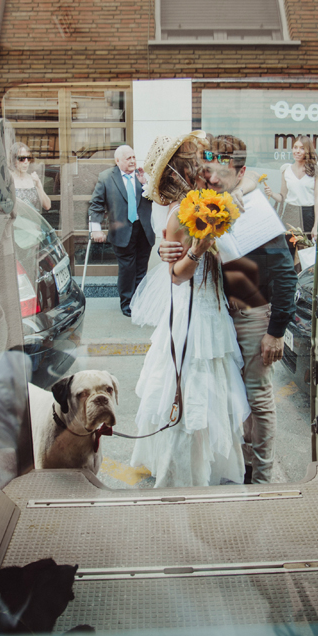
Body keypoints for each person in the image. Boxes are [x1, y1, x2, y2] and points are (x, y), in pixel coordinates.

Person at [160, 134, 298, 484]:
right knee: (237, 394)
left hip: (253, 310)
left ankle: (264, 476)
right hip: (224, 313)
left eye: (224, 172)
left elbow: (284, 275)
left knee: (257, 395)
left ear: (241, 171)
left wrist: (276, 331)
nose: (215, 179)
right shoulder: (214, 202)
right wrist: (167, 251)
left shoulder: (256, 207)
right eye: (210, 172)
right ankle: (248, 462)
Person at [126, 132, 249, 487]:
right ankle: (181, 466)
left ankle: (212, 464)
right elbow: (177, 277)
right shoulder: (180, 214)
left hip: (214, 307)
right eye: (198, 162)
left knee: (215, 385)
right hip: (190, 309)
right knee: (188, 380)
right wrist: (200, 247)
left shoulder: (215, 202)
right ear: (185, 170)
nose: (206, 166)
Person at [88, 144, 153, 316]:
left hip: (144, 230)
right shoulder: (106, 178)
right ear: (117, 161)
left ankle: (140, 301)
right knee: (126, 269)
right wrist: (96, 229)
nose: (132, 161)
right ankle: (127, 304)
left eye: (133, 157)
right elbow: (96, 205)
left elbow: (156, 198)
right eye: (128, 158)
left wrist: (145, 184)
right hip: (122, 231)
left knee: (141, 268)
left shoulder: (143, 176)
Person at [268, 134, 318, 235]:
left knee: (305, 248)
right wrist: (272, 194)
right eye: (295, 147)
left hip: (308, 214)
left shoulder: (315, 171)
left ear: (308, 151)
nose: (297, 151)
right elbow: (283, 197)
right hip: (290, 212)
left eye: (302, 148)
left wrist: (316, 224)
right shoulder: (286, 170)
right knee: (289, 247)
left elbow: (317, 199)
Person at [11, 141, 51, 213]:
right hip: (15, 222)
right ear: (14, 160)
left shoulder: (33, 179)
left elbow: (47, 206)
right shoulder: (9, 180)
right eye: (22, 158)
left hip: (32, 222)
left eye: (28, 158)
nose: (26, 161)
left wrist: (38, 185)